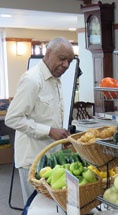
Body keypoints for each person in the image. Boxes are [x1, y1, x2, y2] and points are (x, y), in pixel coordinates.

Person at [5, 37, 74, 205]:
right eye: (62, 59)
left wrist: (61, 137)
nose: (66, 65)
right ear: (48, 53)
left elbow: (47, 116)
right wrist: (49, 131)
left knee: (47, 211)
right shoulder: (32, 80)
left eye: (70, 61)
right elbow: (12, 118)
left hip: (49, 157)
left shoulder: (55, 80)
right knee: (34, 210)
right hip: (32, 160)